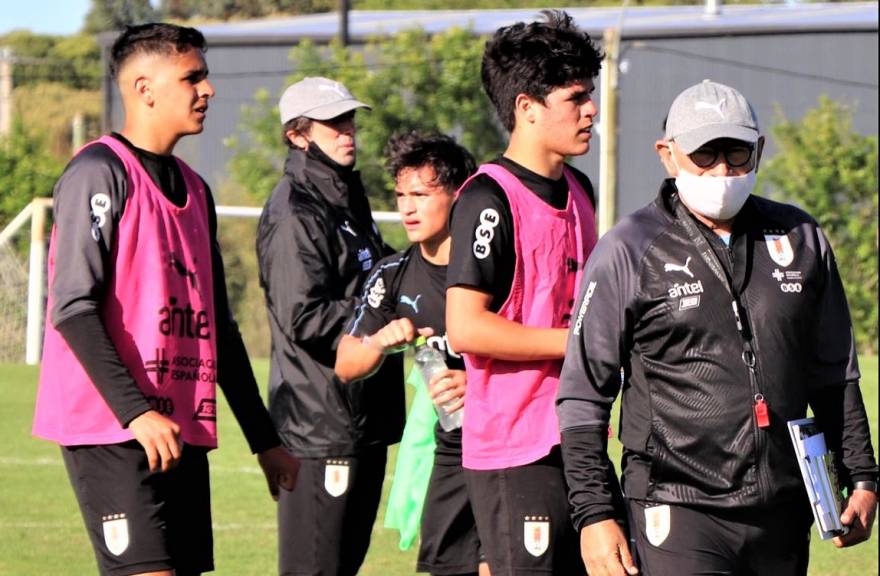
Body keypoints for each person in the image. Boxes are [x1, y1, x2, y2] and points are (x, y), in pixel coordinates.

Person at [557, 79, 879, 576]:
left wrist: (861, 475)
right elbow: (583, 394)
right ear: (668, 155)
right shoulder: (628, 248)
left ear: (760, 149)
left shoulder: (801, 238)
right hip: (676, 505)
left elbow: (834, 372)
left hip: (783, 507)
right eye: (704, 154)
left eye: (737, 153)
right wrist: (595, 513)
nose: (723, 170)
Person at [31, 23, 300, 576]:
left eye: (206, 76)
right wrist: (137, 413)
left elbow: (218, 327)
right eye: (192, 77)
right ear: (144, 89)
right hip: (114, 426)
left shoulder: (196, 189)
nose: (208, 90)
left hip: (178, 426)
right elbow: (72, 307)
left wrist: (264, 439)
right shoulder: (98, 172)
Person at [444, 10, 603, 575]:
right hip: (517, 450)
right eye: (576, 97)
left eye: (590, 94)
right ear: (527, 107)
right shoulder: (487, 198)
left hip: (579, 436)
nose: (591, 110)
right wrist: (576, 342)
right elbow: (466, 327)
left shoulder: (580, 189)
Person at [256, 76, 404, 576]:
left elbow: (383, 275)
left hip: (360, 419)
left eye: (349, 119)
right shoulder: (295, 211)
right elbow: (305, 316)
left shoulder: (344, 197)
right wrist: (384, 316)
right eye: (333, 122)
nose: (348, 131)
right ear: (297, 135)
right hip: (320, 427)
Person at [335, 131, 488, 576]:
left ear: (458, 196)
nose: (407, 208)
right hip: (451, 446)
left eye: (421, 195)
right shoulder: (393, 274)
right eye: (401, 195)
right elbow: (346, 364)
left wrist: (478, 384)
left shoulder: (496, 265)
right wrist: (381, 342)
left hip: (507, 440)